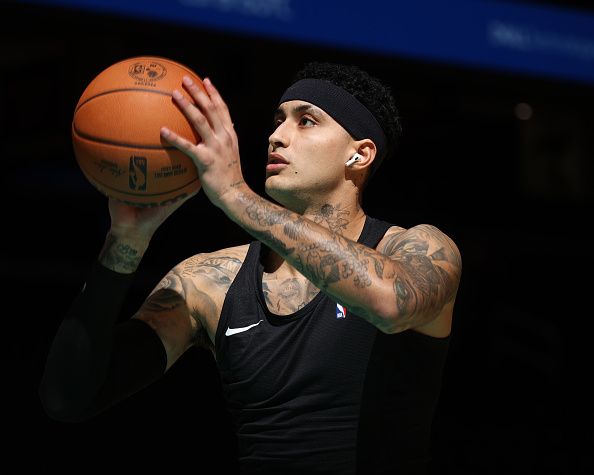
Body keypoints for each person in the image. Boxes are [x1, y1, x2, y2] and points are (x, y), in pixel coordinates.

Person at [39, 61, 462, 474]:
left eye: (306, 121)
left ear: (359, 154)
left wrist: (236, 195)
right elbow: (68, 397)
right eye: (277, 120)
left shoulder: (418, 247)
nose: (277, 136)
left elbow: (390, 305)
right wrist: (125, 241)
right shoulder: (209, 280)